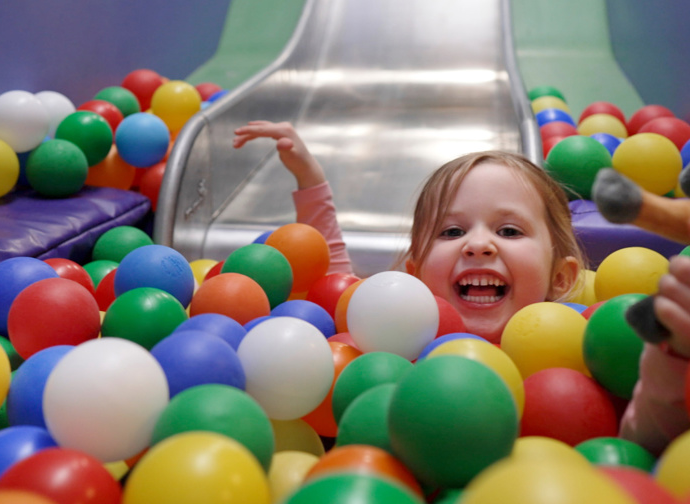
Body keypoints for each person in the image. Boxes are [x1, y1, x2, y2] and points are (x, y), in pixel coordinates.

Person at [233, 120, 690, 455]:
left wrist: (673, 357)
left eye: (509, 231)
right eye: (451, 233)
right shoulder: (388, 342)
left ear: (562, 278)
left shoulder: (587, 359)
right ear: (411, 276)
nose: (478, 245)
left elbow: (642, 439)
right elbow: (333, 283)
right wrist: (312, 182)